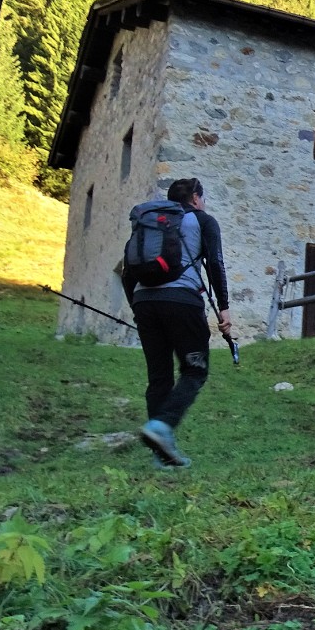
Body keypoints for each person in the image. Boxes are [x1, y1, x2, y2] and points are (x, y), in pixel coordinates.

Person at [122, 177, 232, 468]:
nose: (204, 203)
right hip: (182, 301)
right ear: (195, 198)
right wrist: (224, 308)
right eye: (203, 197)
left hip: (145, 302)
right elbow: (215, 264)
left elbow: (127, 271)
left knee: (159, 377)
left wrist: (137, 306)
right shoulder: (203, 220)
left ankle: (163, 457)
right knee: (195, 370)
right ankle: (162, 427)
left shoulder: (150, 223)